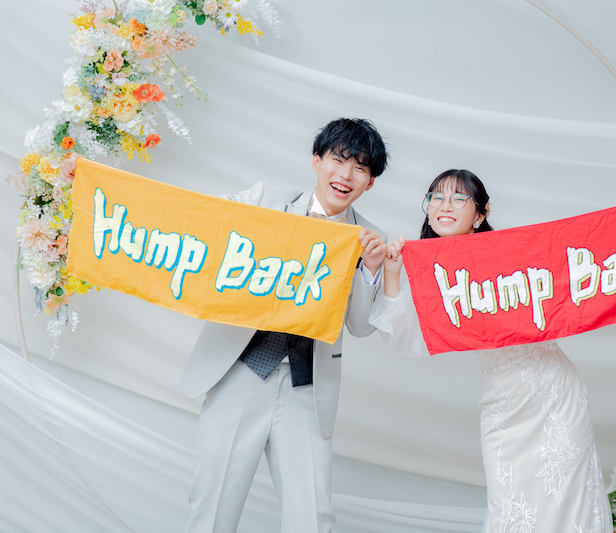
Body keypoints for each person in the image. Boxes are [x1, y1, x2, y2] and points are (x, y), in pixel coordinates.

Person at [60, 117, 390, 533]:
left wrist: (371, 270)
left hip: (307, 388)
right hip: (240, 371)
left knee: (312, 518)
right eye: (338, 160)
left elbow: (360, 325)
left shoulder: (370, 238)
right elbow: (193, 219)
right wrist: (95, 180)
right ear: (316, 161)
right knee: (214, 508)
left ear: (370, 183)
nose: (346, 175)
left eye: (359, 168)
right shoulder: (265, 200)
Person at [370, 169, 612, 533]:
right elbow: (403, 336)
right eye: (436, 197)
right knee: (511, 505)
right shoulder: (428, 268)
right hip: (502, 402)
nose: (445, 206)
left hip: (554, 393)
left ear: (479, 215)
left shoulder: (510, 252)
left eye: (458, 198)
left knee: (566, 498)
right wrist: (392, 271)